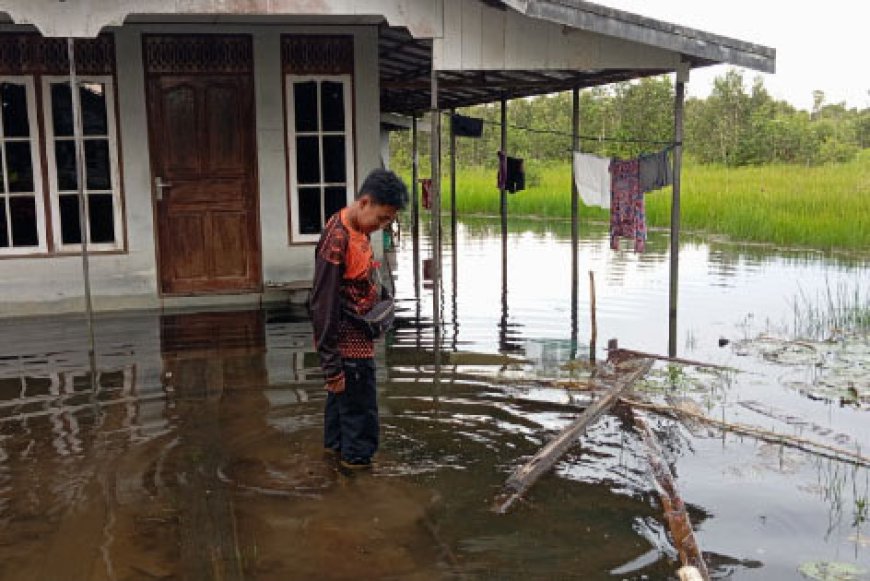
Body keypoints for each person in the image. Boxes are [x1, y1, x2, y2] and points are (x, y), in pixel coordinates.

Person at [309, 169, 409, 470]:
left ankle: (332, 468)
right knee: (361, 422)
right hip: (348, 350)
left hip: (356, 341)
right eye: (381, 219)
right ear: (364, 202)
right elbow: (321, 303)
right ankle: (357, 487)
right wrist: (331, 367)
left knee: (342, 418)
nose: (382, 226)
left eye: (389, 221)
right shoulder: (337, 238)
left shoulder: (357, 228)